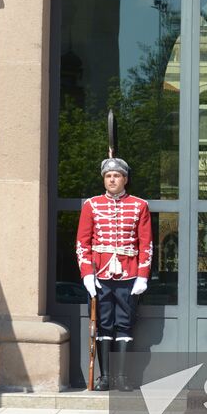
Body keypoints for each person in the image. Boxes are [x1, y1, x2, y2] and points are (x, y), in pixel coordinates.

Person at [76, 156, 153, 391]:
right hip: (100, 275)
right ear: (104, 179)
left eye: (117, 175)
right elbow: (82, 242)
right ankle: (105, 377)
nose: (112, 179)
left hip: (129, 275)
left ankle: (122, 377)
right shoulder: (92, 205)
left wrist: (142, 275)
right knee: (104, 325)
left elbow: (146, 243)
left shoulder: (140, 205)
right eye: (108, 176)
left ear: (125, 179)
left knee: (125, 324)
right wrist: (87, 274)